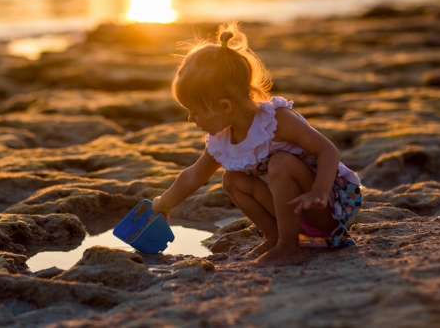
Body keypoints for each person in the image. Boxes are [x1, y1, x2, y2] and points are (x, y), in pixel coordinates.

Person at [152, 22, 362, 267]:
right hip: (291, 211)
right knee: (232, 179)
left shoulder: (276, 120)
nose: (190, 119)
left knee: (281, 162)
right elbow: (192, 176)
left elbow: (328, 150)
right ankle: (275, 236)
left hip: (327, 206)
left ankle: (289, 246)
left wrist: (319, 191)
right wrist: (162, 204)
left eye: (194, 111)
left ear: (224, 107)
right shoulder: (223, 138)